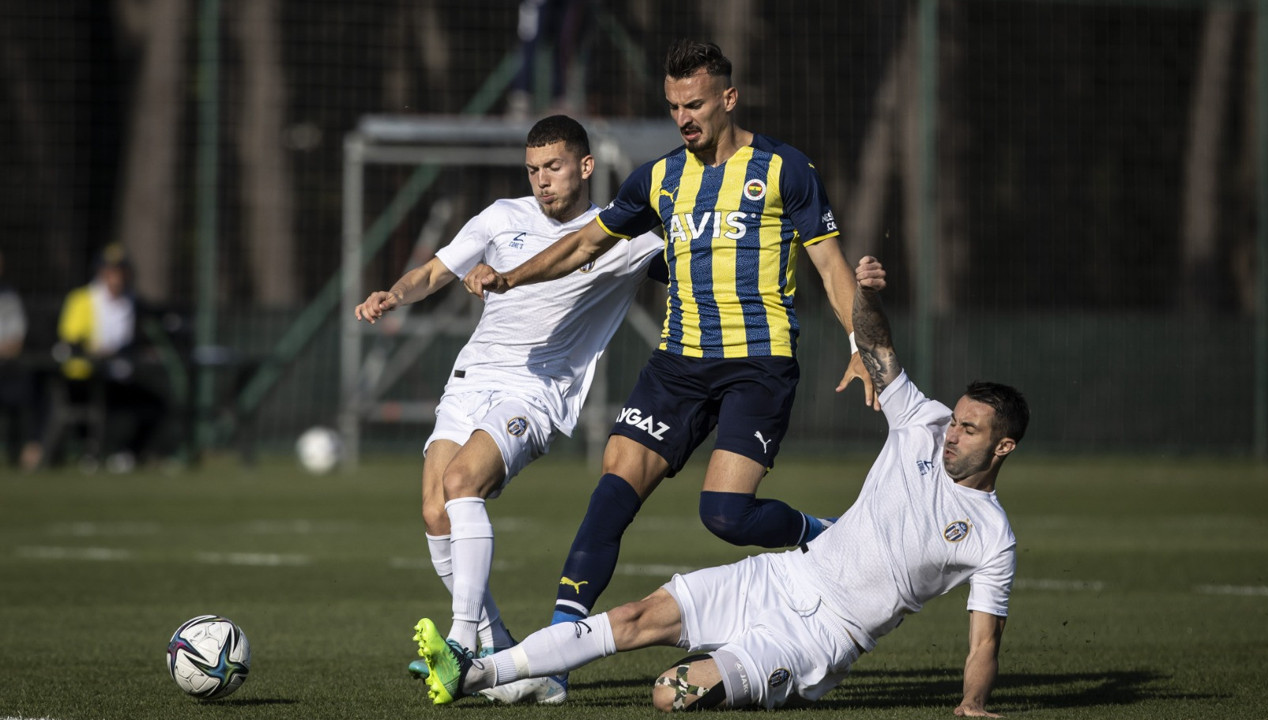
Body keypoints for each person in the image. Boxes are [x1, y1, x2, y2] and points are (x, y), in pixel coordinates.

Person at [416, 255, 1028, 716]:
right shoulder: (922, 422)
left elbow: (983, 643)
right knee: (633, 617)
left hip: (821, 637)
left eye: (969, 430)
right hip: (782, 576)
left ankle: (735, 672)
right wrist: (860, 291)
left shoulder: (991, 537)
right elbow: (877, 345)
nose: (952, 432)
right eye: (956, 418)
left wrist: (972, 705)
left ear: (1002, 447)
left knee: (668, 694)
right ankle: (472, 674)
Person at [464, 38, 878, 702]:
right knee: (613, 487)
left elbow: (830, 267)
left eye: (694, 104)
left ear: (728, 98)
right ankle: (558, 652)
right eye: (673, 106)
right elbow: (584, 244)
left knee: (726, 515)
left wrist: (862, 343)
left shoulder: (784, 169)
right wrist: (509, 277)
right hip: (678, 364)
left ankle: (825, 536)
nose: (683, 117)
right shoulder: (658, 178)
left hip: (757, 365)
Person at [353, 115, 663, 701]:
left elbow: (699, 267)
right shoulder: (500, 216)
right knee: (434, 512)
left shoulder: (624, 235)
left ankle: (463, 643)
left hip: (535, 391)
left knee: (463, 481)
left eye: (554, 167)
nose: (542, 180)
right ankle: (521, 667)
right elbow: (433, 272)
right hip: (471, 378)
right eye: (533, 169)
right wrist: (395, 293)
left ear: (585, 166)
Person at [52, 243, 169, 471]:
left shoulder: (133, 302)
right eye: (110, 271)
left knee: (155, 406)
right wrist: (94, 349)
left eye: (120, 271)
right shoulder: (82, 299)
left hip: (120, 375)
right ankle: (89, 452)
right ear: (101, 272)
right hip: (86, 376)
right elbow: (70, 339)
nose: (116, 277)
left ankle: (126, 455)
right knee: (90, 405)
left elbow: (143, 338)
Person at [0, 250, 44, 470]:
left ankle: (29, 449)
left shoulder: (9, 297)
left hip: (6, 367)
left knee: (30, 389)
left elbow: (15, 340)